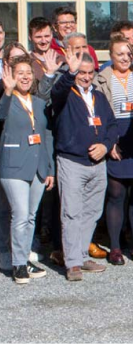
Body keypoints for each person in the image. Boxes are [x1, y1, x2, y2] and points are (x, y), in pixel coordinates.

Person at [51, 49, 118, 281]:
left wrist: (105, 145)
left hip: (97, 163)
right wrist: (69, 72)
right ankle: (72, 263)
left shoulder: (98, 97)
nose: (86, 77)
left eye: (90, 73)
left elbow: (111, 126)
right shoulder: (66, 94)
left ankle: (79, 254)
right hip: (72, 161)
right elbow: (55, 92)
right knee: (71, 212)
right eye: (81, 73)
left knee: (92, 211)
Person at [93, 35, 133, 265]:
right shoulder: (102, 78)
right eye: (119, 54)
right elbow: (98, 113)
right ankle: (116, 247)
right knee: (116, 194)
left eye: (128, 54)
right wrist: (108, 143)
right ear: (111, 56)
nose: (125, 58)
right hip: (115, 135)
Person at [0, 56, 54, 283]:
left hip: (38, 165)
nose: (25, 76)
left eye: (28, 73)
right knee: (20, 215)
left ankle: (23, 258)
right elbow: (1, 115)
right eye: (19, 72)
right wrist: (7, 91)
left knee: (30, 216)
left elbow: (47, 135)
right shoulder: (7, 100)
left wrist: (50, 168)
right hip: (14, 166)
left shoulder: (39, 103)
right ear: (11, 75)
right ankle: (18, 264)